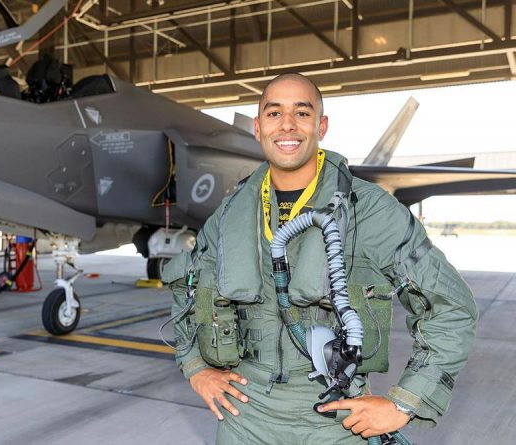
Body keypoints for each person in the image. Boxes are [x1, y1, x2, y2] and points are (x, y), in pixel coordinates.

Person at [163, 73, 478, 444]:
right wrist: (195, 366)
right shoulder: (231, 213)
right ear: (258, 127)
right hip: (245, 417)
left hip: (337, 419)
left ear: (321, 126)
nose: (287, 125)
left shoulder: (369, 210)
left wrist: (405, 402)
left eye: (302, 112)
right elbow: (186, 289)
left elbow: (451, 306)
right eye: (274, 113)